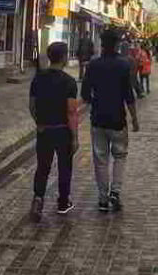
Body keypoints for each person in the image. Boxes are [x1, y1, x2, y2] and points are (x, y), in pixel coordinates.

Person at [81, 29, 140, 212]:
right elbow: (128, 95)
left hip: (98, 119)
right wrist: (134, 119)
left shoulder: (92, 65)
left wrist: (96, 102)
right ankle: (115, 191)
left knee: (101, 159)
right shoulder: (123, 65)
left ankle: (102, 199)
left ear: (101, 44)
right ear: (117, 44)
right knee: (120, 156)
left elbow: (84, 94)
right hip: (118, 119)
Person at [28, 42, 79, 221]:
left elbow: (32, 105)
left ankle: (38, 198)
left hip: (44, 130)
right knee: (65, 167)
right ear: (64, 57)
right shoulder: (69, 82)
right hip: (63, 130)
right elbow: (71, 111)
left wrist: (39, 121)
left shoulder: (38, 78)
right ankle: (63, 202)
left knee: (43, 167)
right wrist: (74, 137)